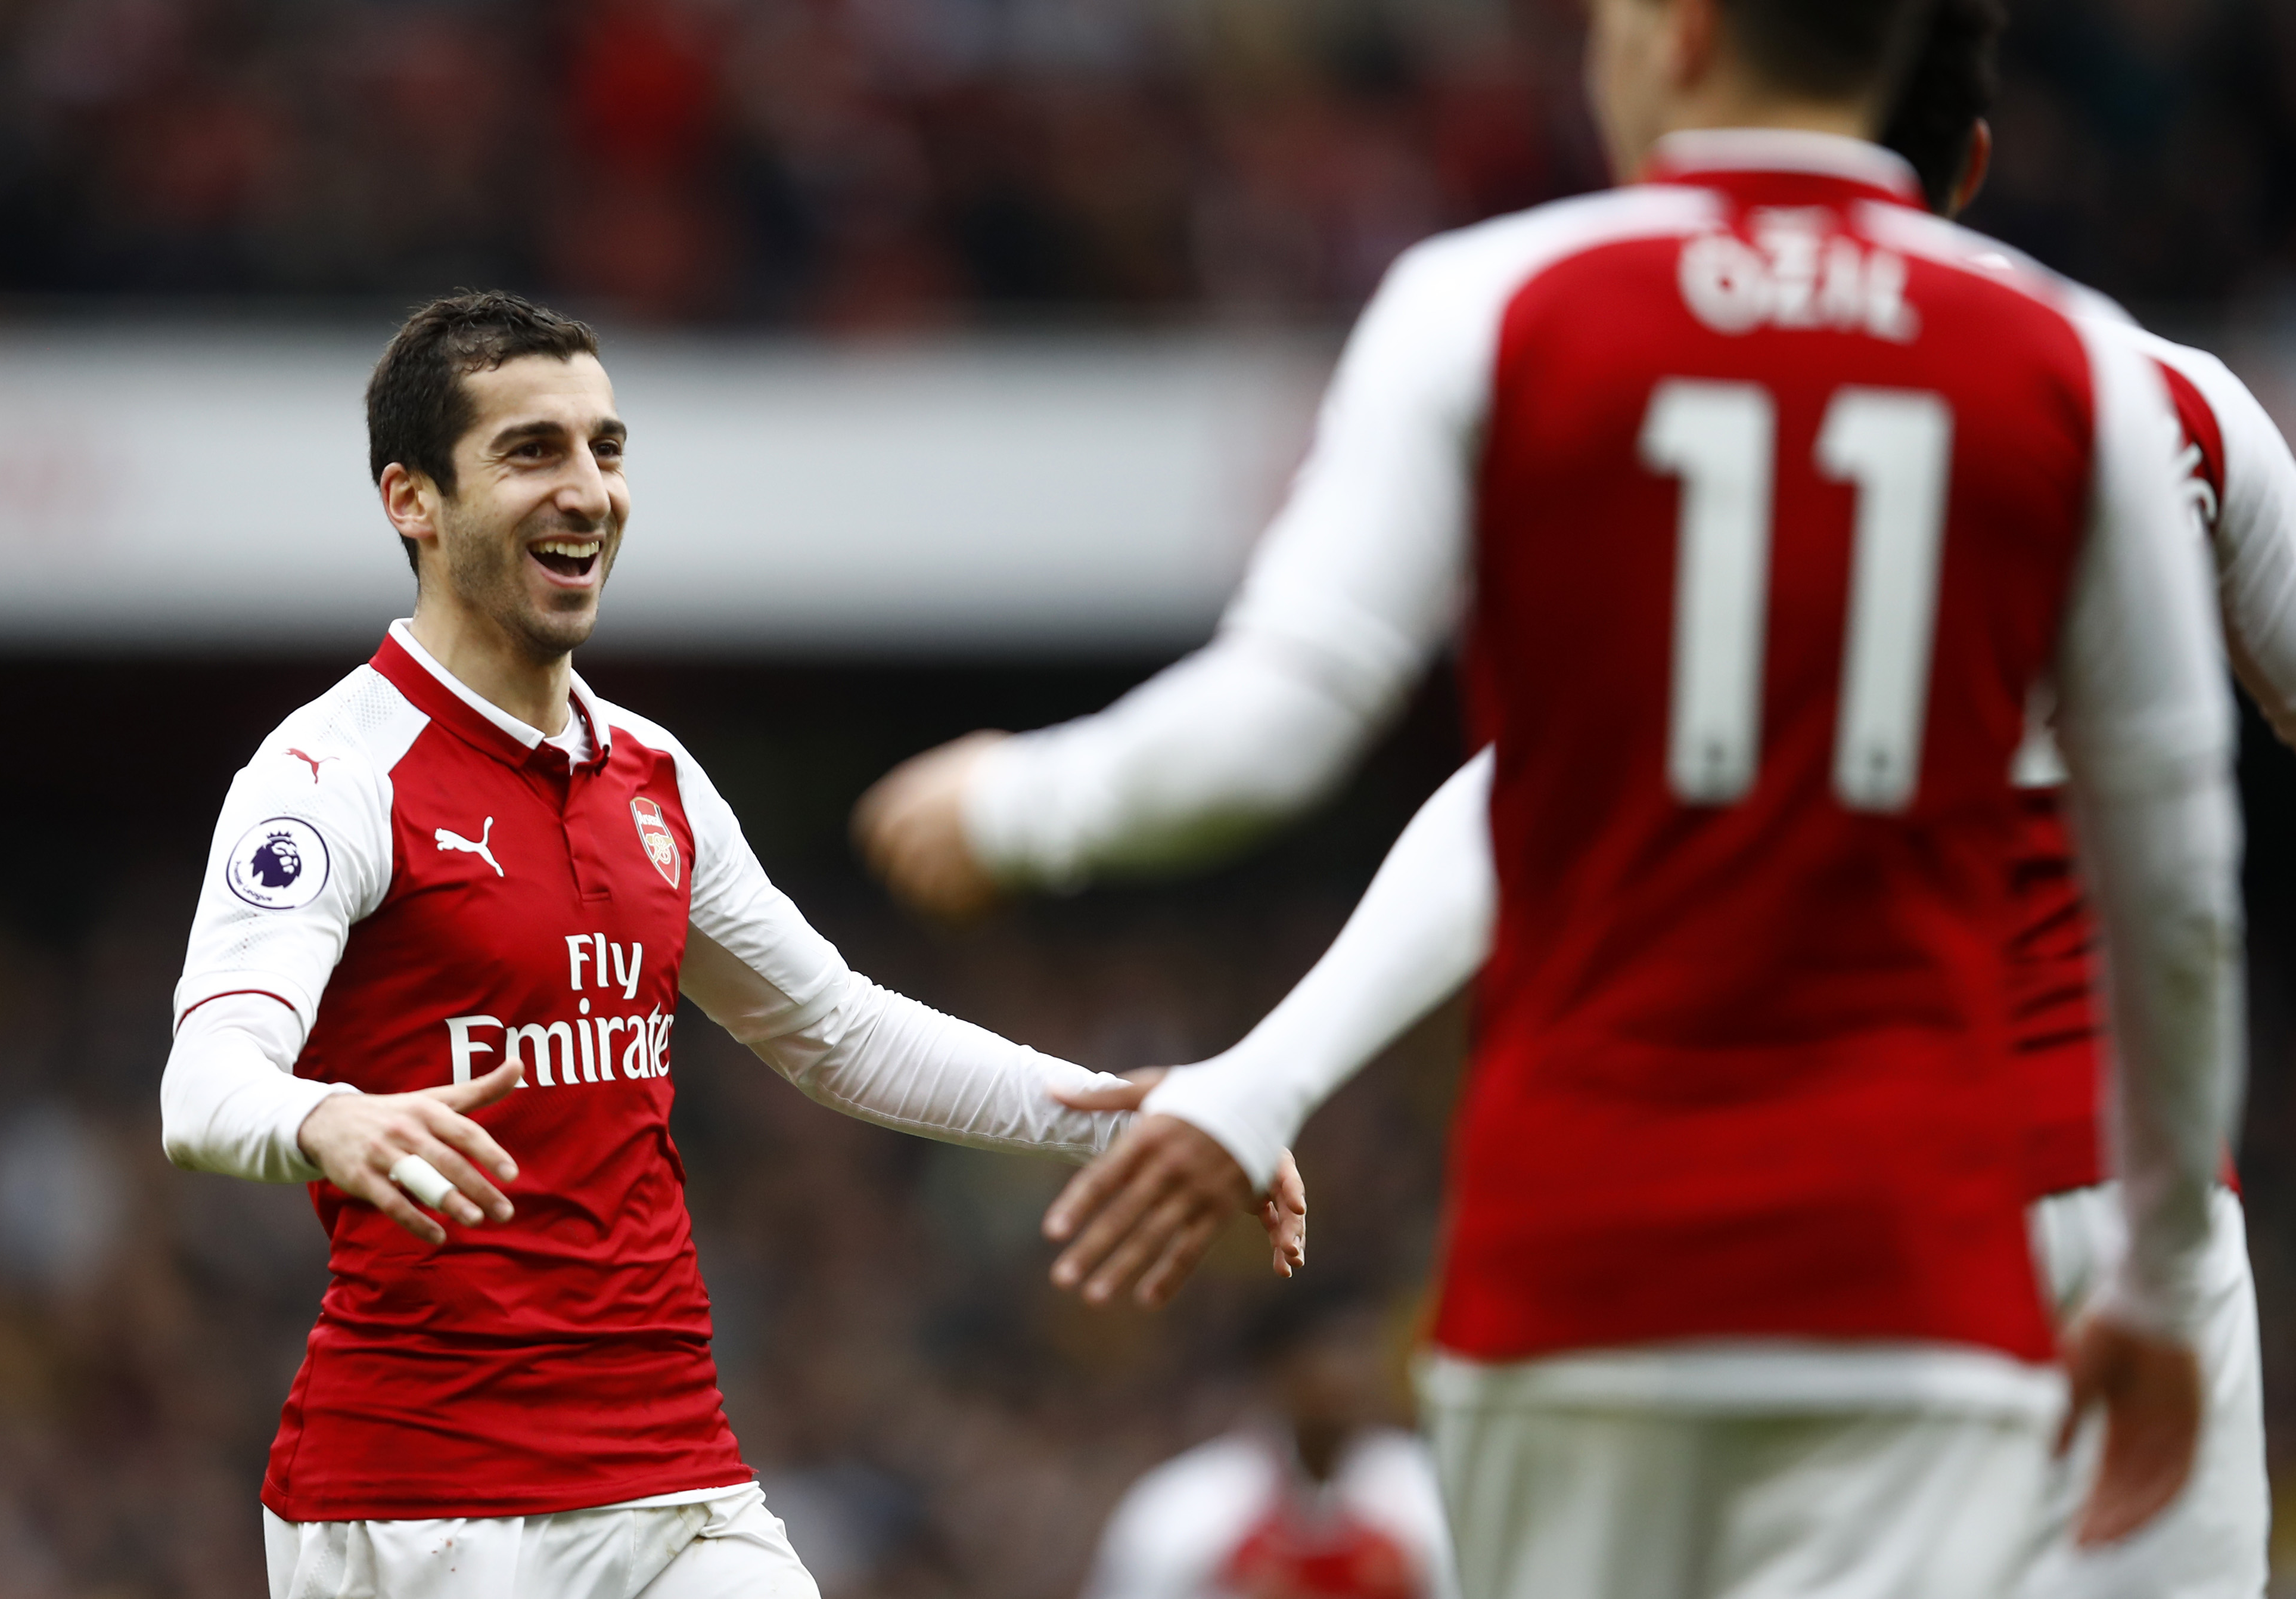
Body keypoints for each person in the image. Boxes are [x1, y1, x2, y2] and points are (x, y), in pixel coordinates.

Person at [893, 0, 2245, 1594]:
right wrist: (2161, 1278)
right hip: (1907, 1252)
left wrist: (1019, 801)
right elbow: (2177, 885)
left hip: (1583, 1241)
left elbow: (1287, 714)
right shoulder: (2083, 371)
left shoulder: (1494, 301)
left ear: (1672, 36)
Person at [158, 291, 1305, 1599]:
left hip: (671, 1480)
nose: (588, 489)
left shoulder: (652, 775)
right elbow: (205, 1084)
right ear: (411, 501)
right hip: (428, 1501)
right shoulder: (327, 776)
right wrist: (328, 1121)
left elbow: (836, 1031)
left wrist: (1138, 1116)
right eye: (532, 452)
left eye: (607, 448)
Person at [1079, 1293, 1460, 1599]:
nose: (1354, 1375)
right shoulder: (1187, 1507)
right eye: (1333, 1351)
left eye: (1364, 1350)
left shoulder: (1423, 1493)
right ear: (1277, 1369)